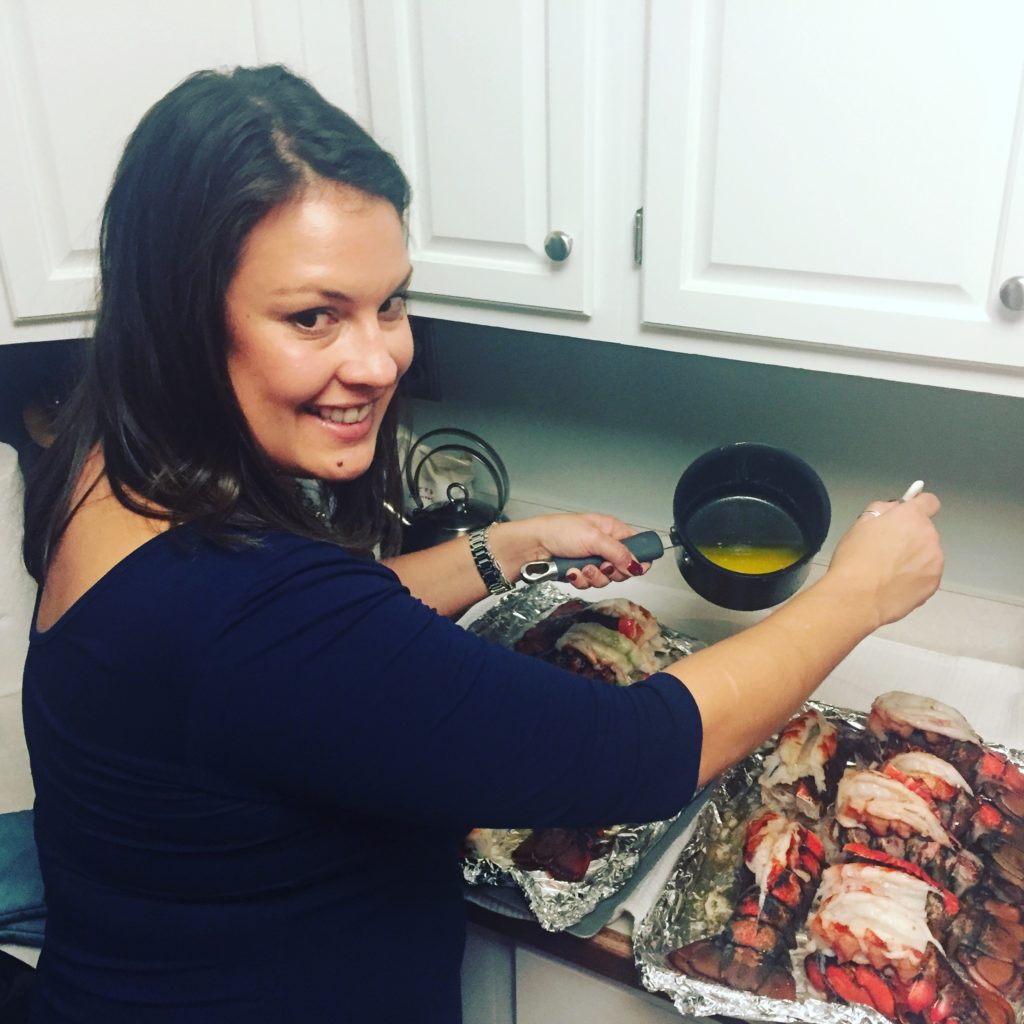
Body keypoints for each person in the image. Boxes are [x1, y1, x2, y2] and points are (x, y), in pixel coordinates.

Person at [19, 65, 943, 1023]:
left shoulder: (107, 470)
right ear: (178, 322)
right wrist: (858, 593)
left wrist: (510, 545)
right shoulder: (247, 613)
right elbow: (629, 753)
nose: (378, 361)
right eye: (312, 316)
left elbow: (305, 647)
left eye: (391, 303)